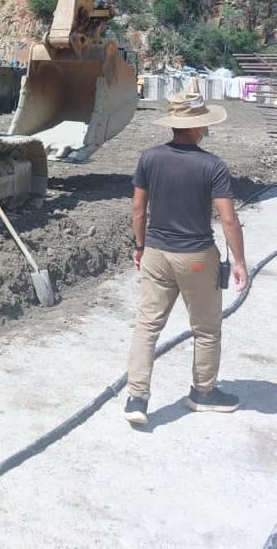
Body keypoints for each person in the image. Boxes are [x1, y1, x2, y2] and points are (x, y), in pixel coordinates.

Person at [124, 91, 248, 426]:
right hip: (195, 259)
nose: (206, 128)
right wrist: (239, 262)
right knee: (206, 328)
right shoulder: (212, 166)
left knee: (147, 326)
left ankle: (136, 398)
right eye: (204, 123)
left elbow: (138, 209)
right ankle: (203, 393)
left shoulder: (150, 158)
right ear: (195, 127)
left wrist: (140, 246)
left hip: (156, 254)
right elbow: (228, 219)